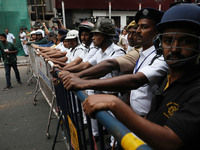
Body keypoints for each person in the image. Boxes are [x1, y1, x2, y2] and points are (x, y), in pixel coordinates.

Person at [83, 3, 200, 149]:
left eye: (185, 41)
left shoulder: (195, 88)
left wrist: (116, 105)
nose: (174, 48)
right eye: (168, 41)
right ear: (160, 42)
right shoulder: (169, 78)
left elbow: (171, 141)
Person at [61, 8, 168, 117]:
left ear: (157, 31)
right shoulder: (141, 53)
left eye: (144, 27)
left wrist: (82, 82)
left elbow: (135, 80)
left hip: (146, 116)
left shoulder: (160, 57)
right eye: (138, 26)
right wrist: (77, 77)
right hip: (133, 112)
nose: (138, 31)